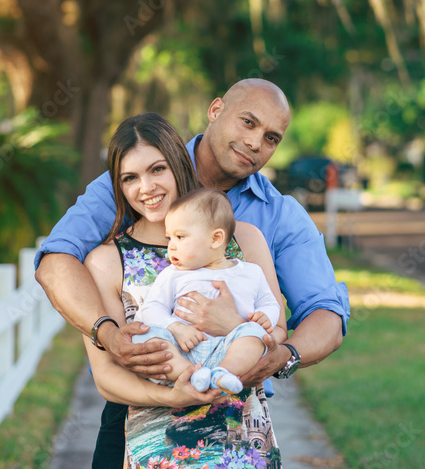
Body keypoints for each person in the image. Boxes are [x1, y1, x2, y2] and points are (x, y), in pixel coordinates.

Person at [36, 79, 350, 465]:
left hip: (236, 412)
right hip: (139, 415)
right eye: (247, 122)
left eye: (271, 137)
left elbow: (324, 314)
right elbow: (55, 262)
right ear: (215, 110)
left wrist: (277, 353)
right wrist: (110, 335)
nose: (255, 142)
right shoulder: (142, 170)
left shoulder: (264, 226)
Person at [83, 113, 285, 468]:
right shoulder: (105, 260)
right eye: (130, 177)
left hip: (240, 443)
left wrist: (233, 325)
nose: (146, 188)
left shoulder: (245, 240)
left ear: (178, 164)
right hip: (157, 444)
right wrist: (174, 393)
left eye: (157, 169)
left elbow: (275, 335)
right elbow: (107, 377)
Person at [132, 188, 283, 395]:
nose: (171, 247)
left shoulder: (251, 272)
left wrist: (266, 316)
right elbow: (152, 307)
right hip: (182, 348)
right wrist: (176, 328)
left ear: (216, 239)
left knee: (255, 335)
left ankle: (223, 373)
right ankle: (192, 374)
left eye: (180, 236)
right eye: (169, 238)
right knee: (145, 336)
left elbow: (270, 303)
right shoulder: (173, 274)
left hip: (229, 348)